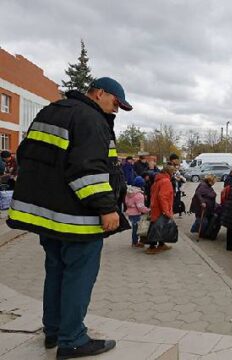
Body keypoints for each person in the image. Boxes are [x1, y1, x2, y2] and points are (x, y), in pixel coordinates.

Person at [7, 76, 132, 357]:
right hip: (78, 219)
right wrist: (106, 208)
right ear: (100, 93)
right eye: (116, 103)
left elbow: (26, 155)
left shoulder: (51, 111)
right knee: (78, 276)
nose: (116, 110)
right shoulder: (90, 119)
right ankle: (73, 339)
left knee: (56, 271)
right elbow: (87, 170)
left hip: (48, 216)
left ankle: (53, 331)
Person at [147, 165, 175, 254]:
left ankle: (161, 244)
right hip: (160, 209)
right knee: (158, 227)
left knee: (158, 226)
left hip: (155, 207)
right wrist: (166, 211)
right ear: (168, 172)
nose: (173, 174)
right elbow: (163, 196)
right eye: (173, 172)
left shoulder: (157, 180)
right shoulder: (166, 181)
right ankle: (152, 247)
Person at [125, 176, 150, 248]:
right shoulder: (139, 195)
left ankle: (135, 242)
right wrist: (147, 210)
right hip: (136, 214)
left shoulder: (129, 192)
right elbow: (140, 207)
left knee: (134, 228)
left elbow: (126, 202)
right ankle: (135, 242)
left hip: (130, 213)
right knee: (137, 229)